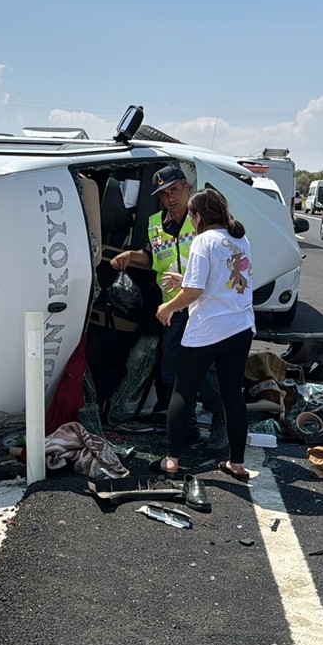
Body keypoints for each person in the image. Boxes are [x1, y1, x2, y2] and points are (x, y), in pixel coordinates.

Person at [110, 165, 226, 448]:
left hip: (202, 305)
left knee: (204, 368)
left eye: (174, 190)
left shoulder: (203, 221)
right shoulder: (155, 223)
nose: (170, 198)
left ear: (187, 187)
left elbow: (219, 263)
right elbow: (153, 259)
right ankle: (186, 428)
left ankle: (221, 419)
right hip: (172, 307)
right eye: (163, 194)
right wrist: (130, 256)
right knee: (170, 370)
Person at [153, 188, 255, 478]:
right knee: (232, 394)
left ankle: (172, 459)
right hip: (240, 327)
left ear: (197, 216)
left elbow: (195, 292)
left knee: (183, 390)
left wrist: (168, 307)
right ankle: (237, 463)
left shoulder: (202, 241)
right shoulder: (240, 239)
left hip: (208, 329)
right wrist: (184, 280)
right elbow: (222, 281)